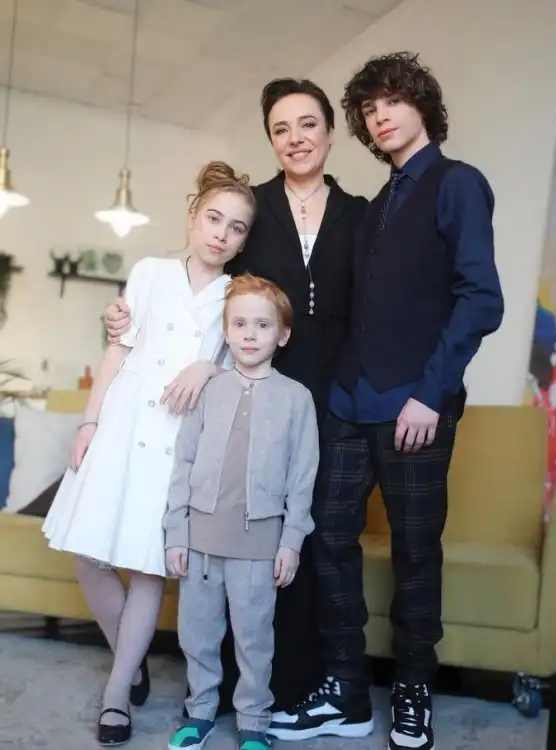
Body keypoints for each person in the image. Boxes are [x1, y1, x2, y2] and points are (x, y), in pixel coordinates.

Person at [103, 77, 368, 710]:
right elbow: (206, 292)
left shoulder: (359, 213)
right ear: (271, 140)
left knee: (304, 535)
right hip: (247, 391)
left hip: (332, 397)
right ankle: (217, 689)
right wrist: (124, 321)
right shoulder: (256, 208)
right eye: (281, 128)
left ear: (331, 133)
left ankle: (293, 686)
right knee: (232, 533)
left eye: (307, 124)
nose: (295, 138)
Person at [268, 52, 505, 750]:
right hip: (349, 401)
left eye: (393, 101)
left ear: (422, 105)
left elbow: (481, 298)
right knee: (326, 536)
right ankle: (346, 689)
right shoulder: (372, 209)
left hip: (415, 407)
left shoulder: (458, 184)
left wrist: (432, 393)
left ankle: (412, 691)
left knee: (415, 551)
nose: (381, 117)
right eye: (369, 110)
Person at [42, 161, 256, 746]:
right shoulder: (150, 272)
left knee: (147, 568)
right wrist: (89, 421)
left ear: (243, 241)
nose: (221, 234)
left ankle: (117, 695)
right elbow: (117, 350)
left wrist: (209, 366)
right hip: (122, 420)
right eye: (214, 218)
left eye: (236, 228)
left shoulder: (237, 296)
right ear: (192, 217)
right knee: (88, 555)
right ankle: (130, 660)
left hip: (177, 438)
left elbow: (248, 368)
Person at [163, 274, 319, 750]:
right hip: (201, 541)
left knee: (254, 639)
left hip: (259, 544)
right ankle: (200, 712)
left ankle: (254, 721)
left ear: (283, 335)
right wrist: (176, 532)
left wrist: (291, 542)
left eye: (262, 325)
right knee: (198, 635)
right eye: (240, 323)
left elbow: (302, 477)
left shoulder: (297, 398)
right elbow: (183, 462)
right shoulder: (209, 390)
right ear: (226, 331)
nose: (250, 334)